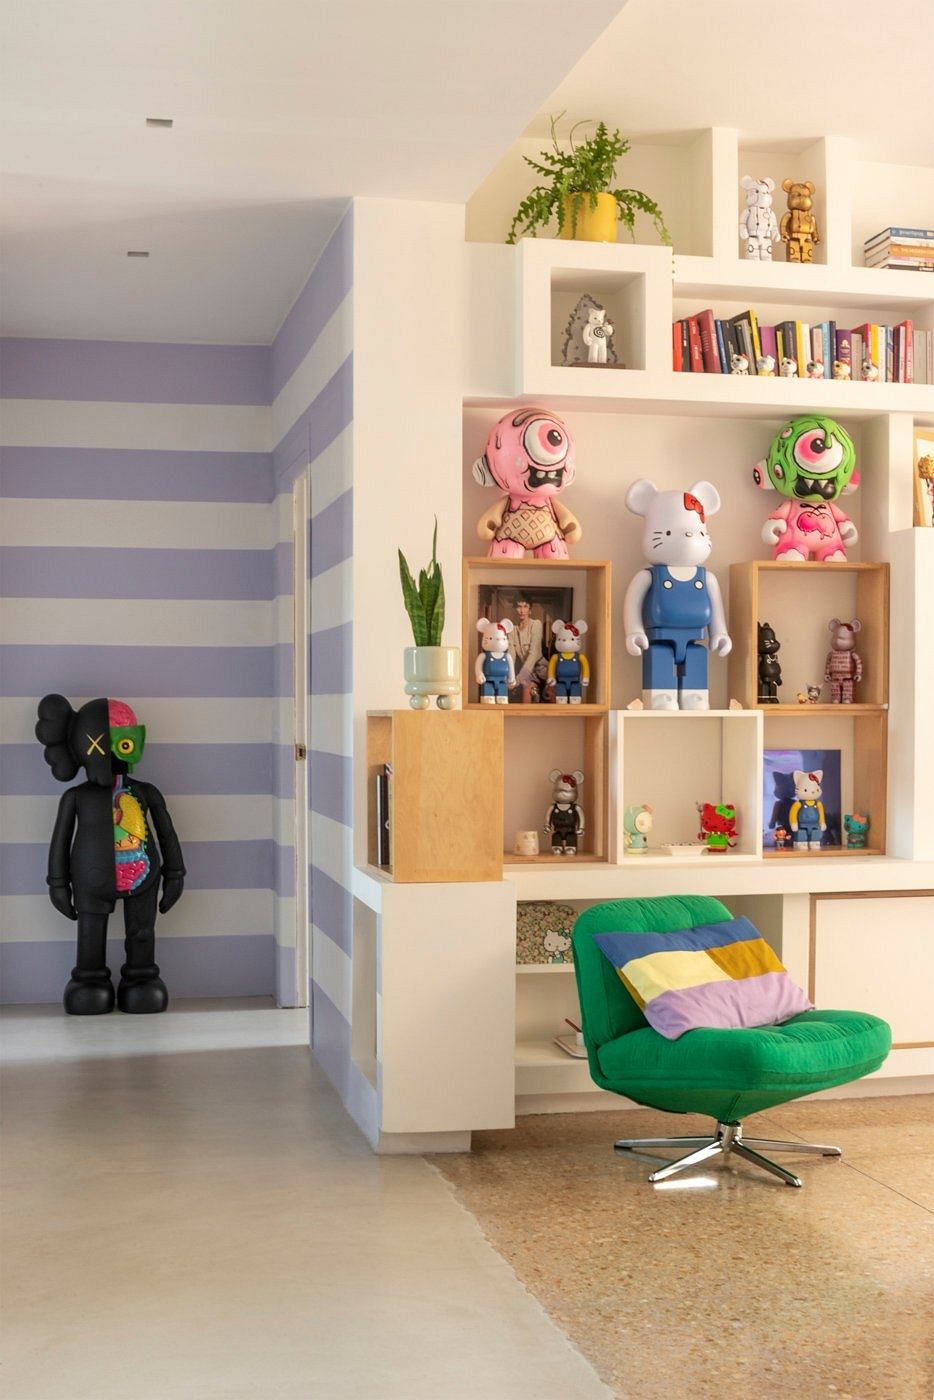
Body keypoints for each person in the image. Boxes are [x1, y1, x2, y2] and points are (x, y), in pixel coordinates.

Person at [508, 594, 544, 703]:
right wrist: (510, 678)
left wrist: (518, 679)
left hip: (541, 671)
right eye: (519, 606)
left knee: (527, 687)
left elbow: (534, 654)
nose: (522, 610)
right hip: (526, 674)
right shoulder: (512, 630)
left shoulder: (536, 624)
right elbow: (511, 657)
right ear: (515, 609)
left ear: (530, 609)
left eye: (525, 606)